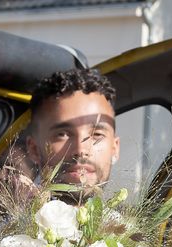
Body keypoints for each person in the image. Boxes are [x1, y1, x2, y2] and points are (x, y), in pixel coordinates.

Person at [25, 68, 120, 201]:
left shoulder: (129, 222)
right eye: (62, 134)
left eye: (97, 134)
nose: (81, 151)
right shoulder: (4, 222)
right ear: (34, 149)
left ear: (114, 148)